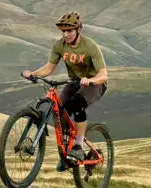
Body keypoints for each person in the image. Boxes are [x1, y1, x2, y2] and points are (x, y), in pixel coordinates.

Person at [21, 11, 108, 169]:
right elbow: (49, 68)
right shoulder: (59, 46)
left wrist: (90, 80)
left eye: (70, 31)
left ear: (78, 30)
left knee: (77, 104)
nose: (66, 35)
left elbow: (103, 75)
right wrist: (33, 73)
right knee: (59, 113)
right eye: (64, 31)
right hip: (74, 82)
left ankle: (79, 147)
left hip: (94, 84)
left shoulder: (90, 46)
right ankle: (68, 155)